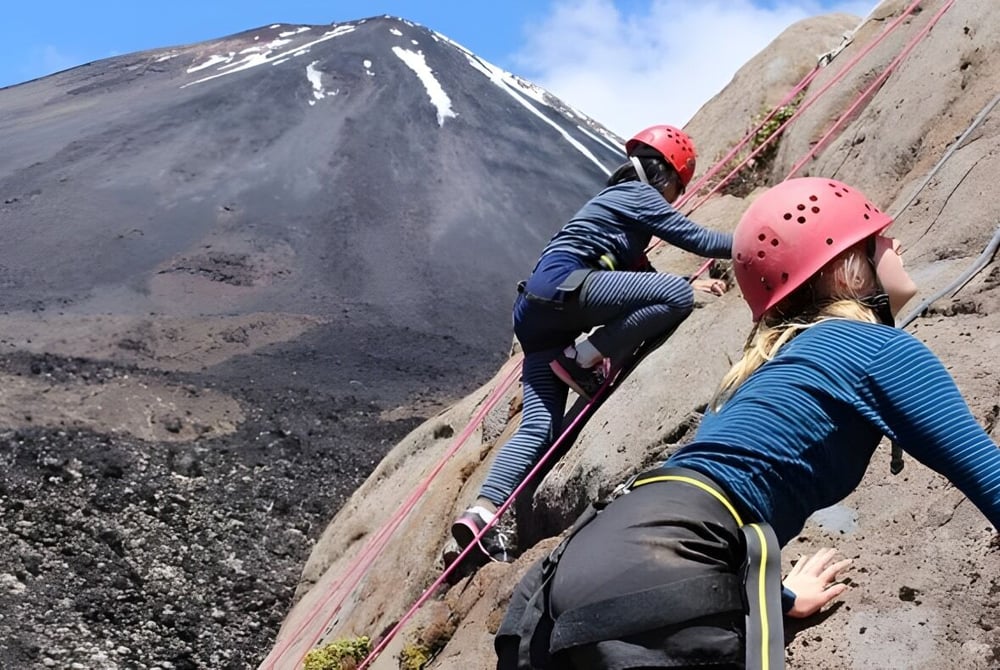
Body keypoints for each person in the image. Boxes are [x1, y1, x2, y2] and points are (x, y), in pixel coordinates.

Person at [495, 177, 1000, 669]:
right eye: (876, 235)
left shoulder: (756, 374)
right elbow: (989, 476)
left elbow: (719, 488)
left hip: (585, 561)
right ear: (848, 269)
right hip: (671, 564)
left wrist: (776, 596)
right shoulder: (878, 349)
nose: (895, 240)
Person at [450, 125, 733, 563]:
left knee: (539, 428)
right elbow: (698, 241)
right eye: (676, 186)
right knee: (677, 295)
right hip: (567, 291)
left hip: (535, 314)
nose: (673, 197)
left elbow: (642, 283)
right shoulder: (639, 196)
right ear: (664, 175)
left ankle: (482, 511)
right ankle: (582, 358)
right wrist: (757, 240)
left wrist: (689, 288)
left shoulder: (609, 213)